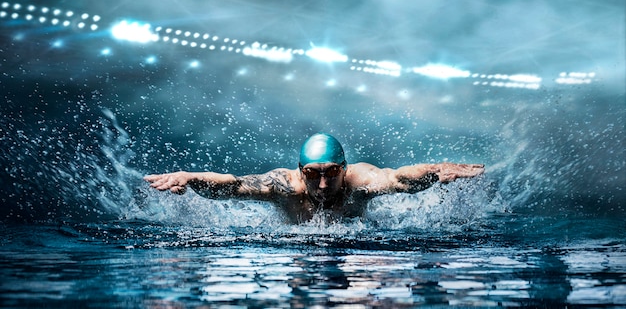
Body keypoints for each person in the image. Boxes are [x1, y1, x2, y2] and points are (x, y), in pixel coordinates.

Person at [144, 133, 484, 223]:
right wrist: (190, 177)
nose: (322, 185)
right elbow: (232, 185)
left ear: (344, 168)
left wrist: (437, 169)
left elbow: (400, 179)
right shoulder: (284, 185)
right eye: (312, 175)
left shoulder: (359, 180)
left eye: (332, 174)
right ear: (299, 170)